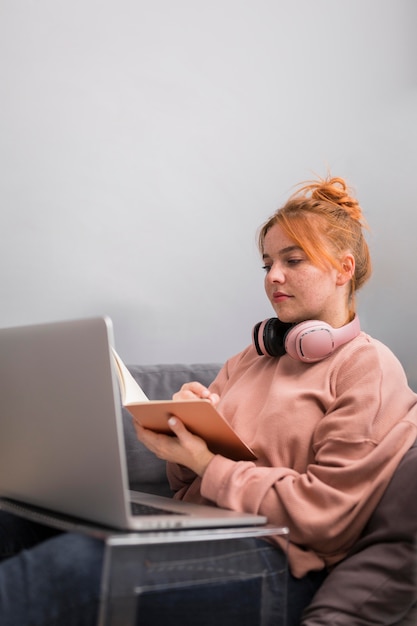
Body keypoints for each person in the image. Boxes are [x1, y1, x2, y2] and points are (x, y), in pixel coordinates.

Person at [0, 174, 416, 625]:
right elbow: (184, 487)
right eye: (267, 264)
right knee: (14, 522)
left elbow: (324, 518)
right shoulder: (250, 359)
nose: (274, 276)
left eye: (293, 260)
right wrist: (183, 434)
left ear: (344, 269)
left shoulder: (368, 369)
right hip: (201, 527)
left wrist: (207, 464)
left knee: (75, 567)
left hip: (277, 558)